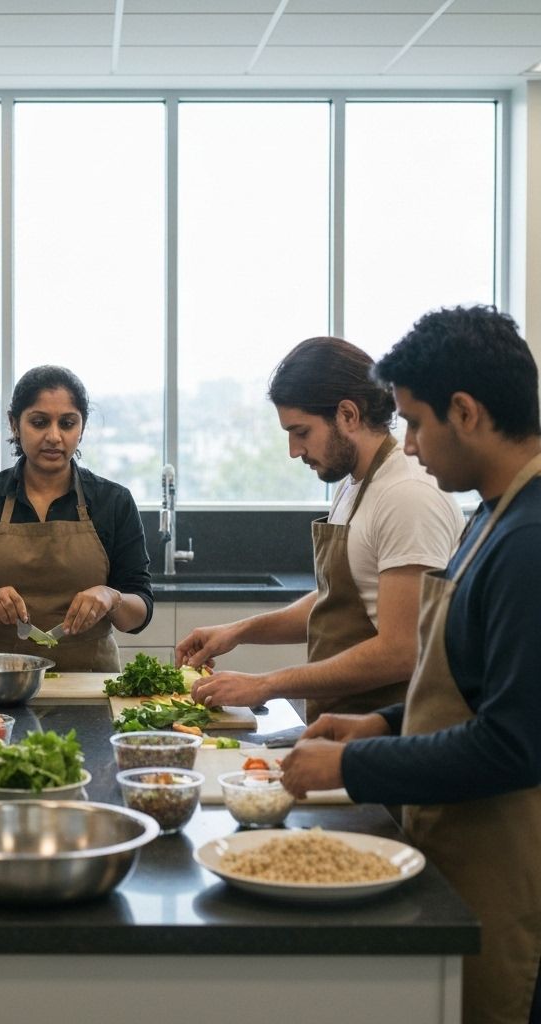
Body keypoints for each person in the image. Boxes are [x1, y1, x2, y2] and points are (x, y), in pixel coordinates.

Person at [281, 306, 541, 1024]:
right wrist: (379, 721)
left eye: (417, 423)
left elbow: (514, 741)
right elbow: (464, 686)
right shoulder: (491, 518)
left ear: (466, 412)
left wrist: (352, 768)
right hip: (457, 839)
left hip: (507, 862)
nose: (411, 445)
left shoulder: (528, 540)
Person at [177, 336, 463, 722]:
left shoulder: (406, 494)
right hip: (344, 725)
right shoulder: (352, 484)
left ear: (347, 414)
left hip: (392, 733)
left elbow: (401, 651)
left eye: (301, 432)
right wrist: (238, 630)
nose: (294, 451)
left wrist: (266, 684)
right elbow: (340, 597)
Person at [0, 365, 153, 672]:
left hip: (90, 680)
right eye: (39, 422)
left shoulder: (113, 501)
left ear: (82, 427)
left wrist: (111, 597)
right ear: (14, 424)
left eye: (67, 423)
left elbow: (139, 614)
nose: (54, 436)